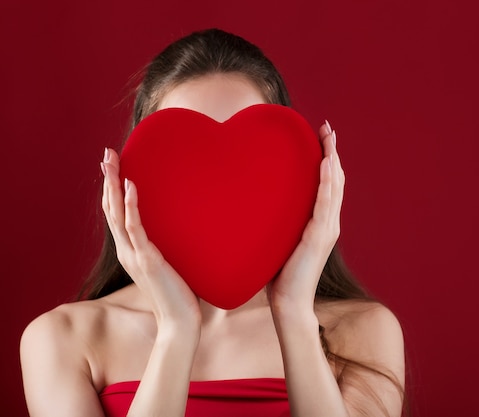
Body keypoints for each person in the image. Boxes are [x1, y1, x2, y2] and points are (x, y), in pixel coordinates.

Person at [20, 28, 406, 417]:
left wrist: (293, 313)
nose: (219, 188)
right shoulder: (61, 339)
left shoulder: (362, 333)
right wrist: (176, 330)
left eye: (251, 161)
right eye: (183, 158)